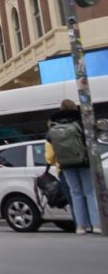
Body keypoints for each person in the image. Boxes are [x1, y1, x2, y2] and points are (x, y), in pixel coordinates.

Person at [47, 98, 101, 234]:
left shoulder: (53, 123)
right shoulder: (81, 119)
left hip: (65, 164)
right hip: (83, 161)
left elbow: (49, 139)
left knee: (75, 193)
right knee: (89, 192)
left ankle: (80, 226)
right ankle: (96, 224)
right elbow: (91, 136)